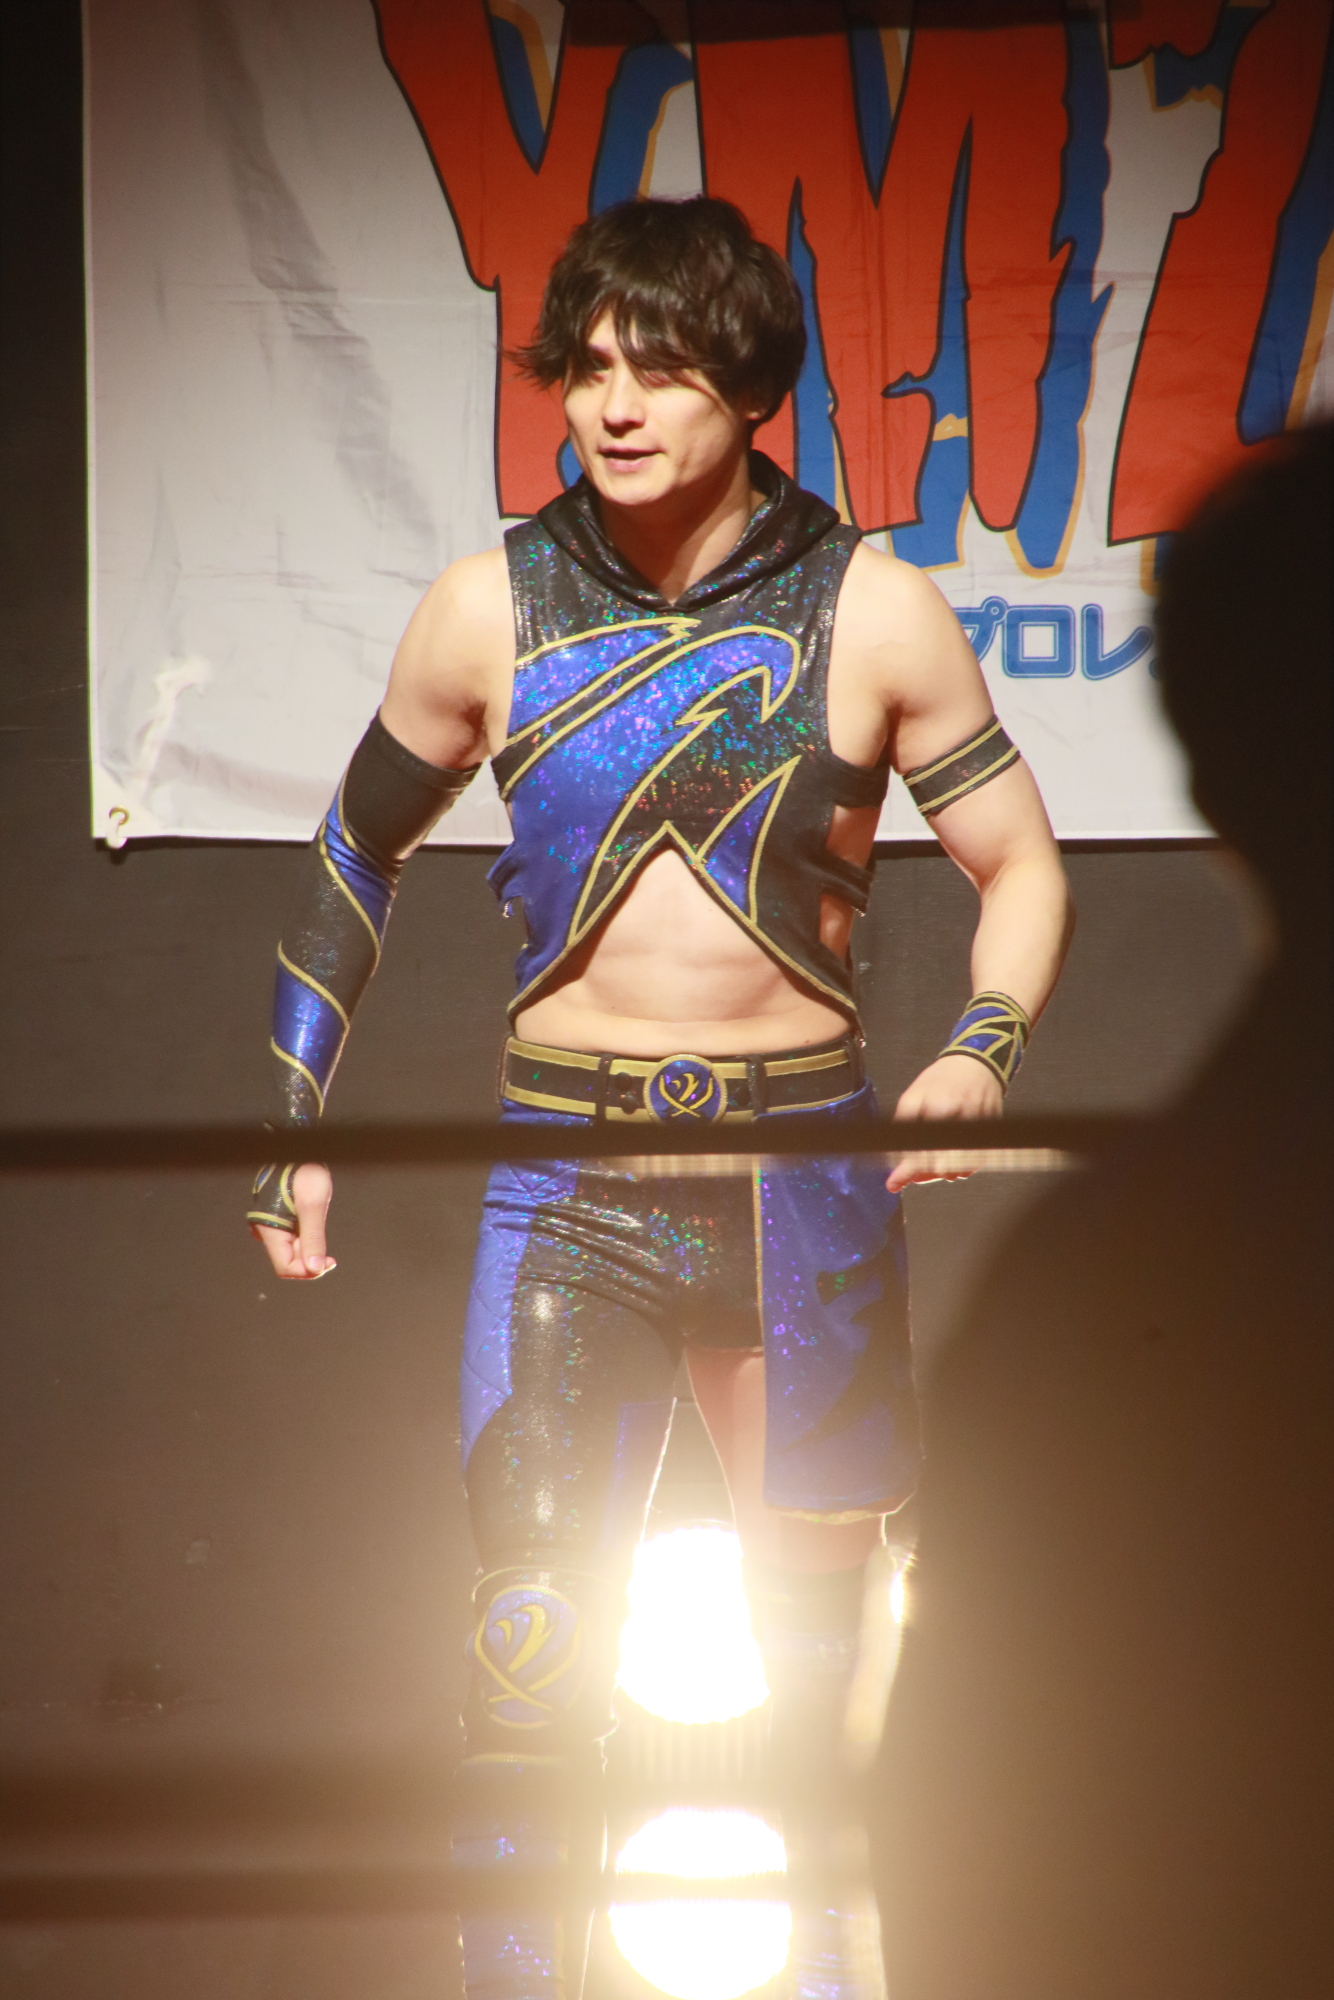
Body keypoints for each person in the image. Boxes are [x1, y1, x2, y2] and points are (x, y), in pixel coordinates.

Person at [246, 195, 1069, 1958]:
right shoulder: (487, 610)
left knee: (818, 1722)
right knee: (528, 1681)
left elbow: (1019, 865)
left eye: (665, 369)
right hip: (568, 1191)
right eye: (590, 367)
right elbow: (350, 850)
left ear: (751, 389)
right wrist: (290, 1121)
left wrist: (982, 1052)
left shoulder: (872, 610)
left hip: (805, 1195)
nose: (615, 405)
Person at [875, 423, 1333, 2000]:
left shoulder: (1090, 1294)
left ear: (1206, 782)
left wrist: (979, 1042)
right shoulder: (1093, 1292)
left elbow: (964, 1852)